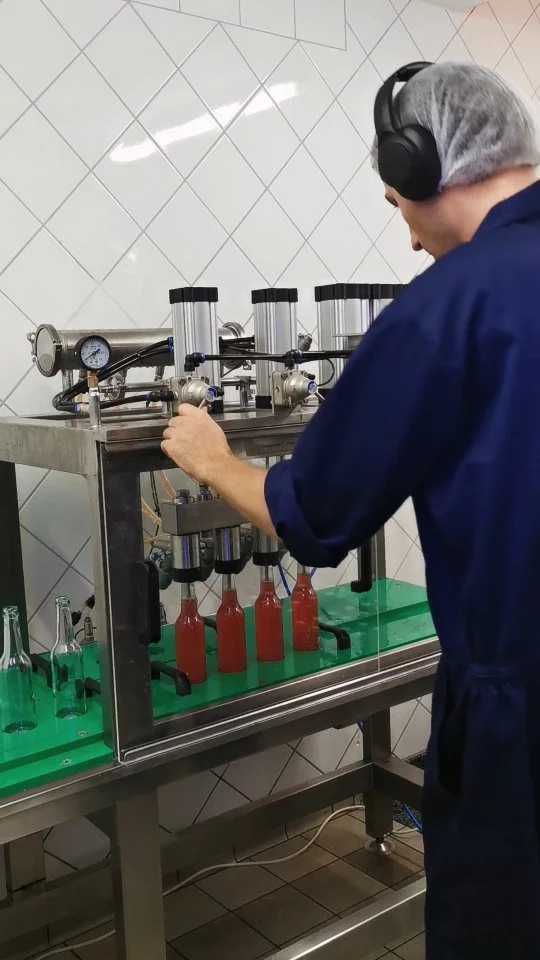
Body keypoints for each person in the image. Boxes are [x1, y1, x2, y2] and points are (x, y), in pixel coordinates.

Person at [162, 62, 540, 959]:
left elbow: (314, 516)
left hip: (518, 731)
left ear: (420, 166)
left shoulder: (447, 309)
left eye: (396, 203)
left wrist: (215, 461)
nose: (406, 237)